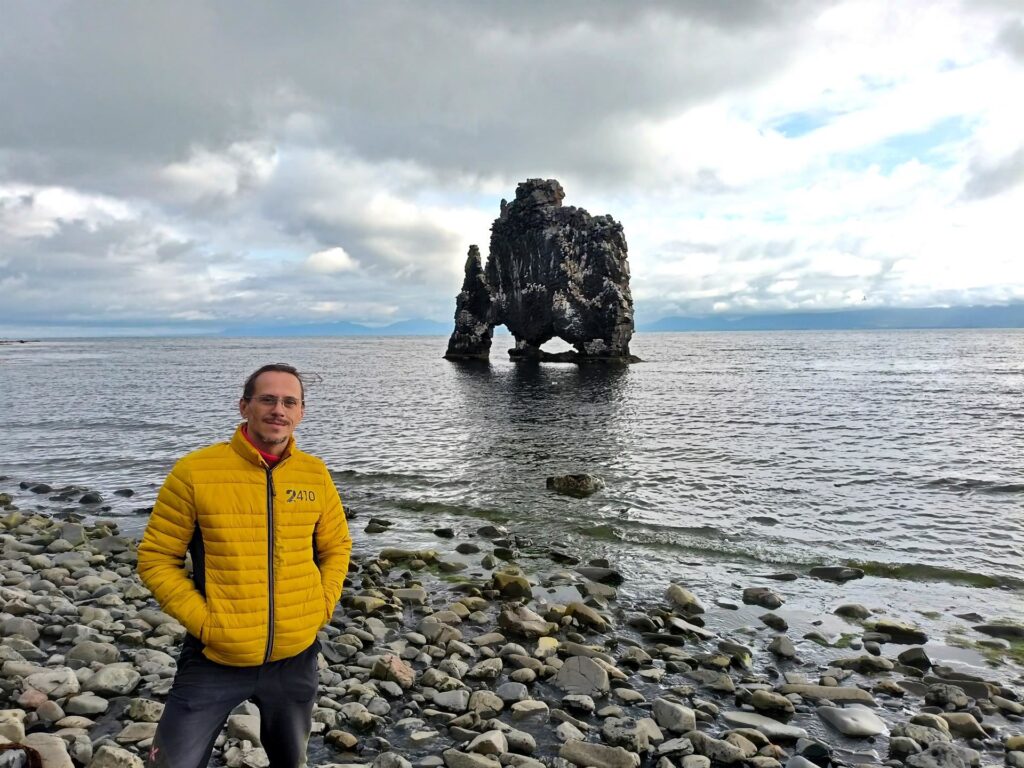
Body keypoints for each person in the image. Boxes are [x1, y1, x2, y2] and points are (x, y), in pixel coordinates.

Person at [137, 363, 352, 768]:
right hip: (215, 656)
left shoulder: (314, 474)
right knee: (170, 763)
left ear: (301, 412)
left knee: (291, 761)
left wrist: (320, 608)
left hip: (295, 656)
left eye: (290, 401)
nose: (278, 410)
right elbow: (155, 557)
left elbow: (336, 546)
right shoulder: (195, 472)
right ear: (244, 406)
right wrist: (206, 623)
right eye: (267, 399)